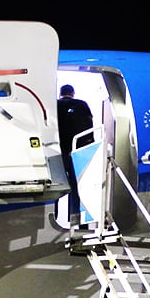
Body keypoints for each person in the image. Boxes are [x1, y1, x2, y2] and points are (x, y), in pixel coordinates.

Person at [56, 85, 94, 226]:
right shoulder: (81, 105)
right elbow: (89, 126)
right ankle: (77, 221)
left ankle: (54, 217)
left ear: (61, 93)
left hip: (58, 151)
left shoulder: (55, 105)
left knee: (57, 185)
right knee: (78, 187)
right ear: (73, 93)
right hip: (79, 152)